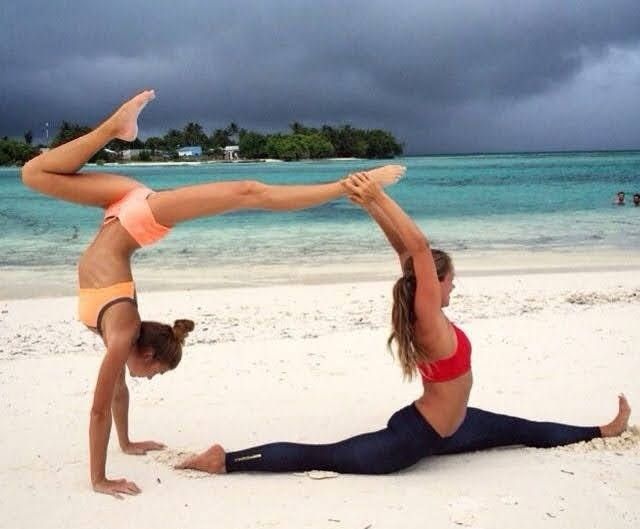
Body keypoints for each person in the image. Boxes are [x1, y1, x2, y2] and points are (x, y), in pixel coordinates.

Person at [21, 91, 406, 497]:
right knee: (247, 192)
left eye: (154, 376)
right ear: (148, 353)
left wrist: (118, 455)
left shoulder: (120, 335)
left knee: (33, 174)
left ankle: (114, 128)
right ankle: (348, 186)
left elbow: (108, 401)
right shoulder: (122, 332)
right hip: (134, 216)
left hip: (123, 210)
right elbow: (108, 400)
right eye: (156, 373)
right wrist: (105, 469)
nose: (148, 379)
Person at [176, 173, 631, 476]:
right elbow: (416, 246)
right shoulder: (428, 315)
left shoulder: (422, 305)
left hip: (454, 427)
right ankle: (225, 460)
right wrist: (374, 192)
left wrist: (368, 206)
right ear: (438, 282)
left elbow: (405, 254)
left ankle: (601, 431)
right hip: (415, 438)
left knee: (524, 429)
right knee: (324, 456)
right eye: (451, 281)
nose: (454, 288)